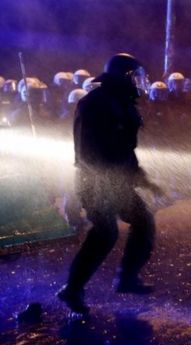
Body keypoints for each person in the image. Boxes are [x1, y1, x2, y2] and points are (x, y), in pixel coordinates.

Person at [57, 53, 164, 316]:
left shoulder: (123, 103)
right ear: (123, 77)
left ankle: (126, 278)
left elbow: (126, 150)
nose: (140, 82)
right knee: (105, 233)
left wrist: (143, 180)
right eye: (136, 76)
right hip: (94, 182)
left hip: (118, 182)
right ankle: (73, 289)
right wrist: (104, 182)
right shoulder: (93, 104)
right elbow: (86, 153)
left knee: (143, 221)